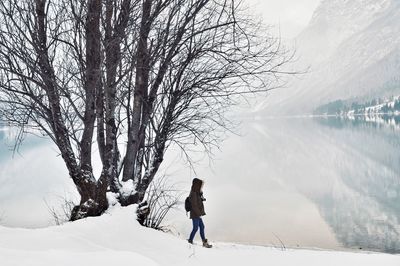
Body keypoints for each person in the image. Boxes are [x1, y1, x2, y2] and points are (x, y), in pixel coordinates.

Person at [187, 178, 212, 248]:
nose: (201, 187)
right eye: (200, 185)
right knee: (195, 228)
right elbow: (194, 205)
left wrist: (201, 195)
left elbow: (198, 201)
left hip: (197, 214)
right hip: (195, 214)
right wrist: (199, 214)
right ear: (197, 185)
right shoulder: (193, 193)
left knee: (201, 226)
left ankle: (203, 242)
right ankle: (190, 240)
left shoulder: (196, 193)